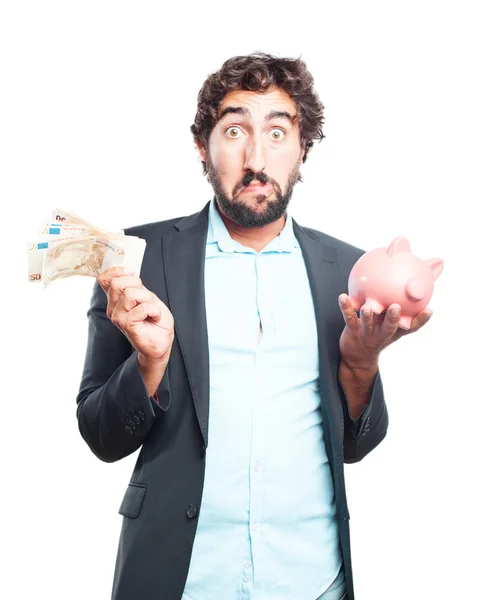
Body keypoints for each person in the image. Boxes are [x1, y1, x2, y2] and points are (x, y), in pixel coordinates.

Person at [76, 52, 433, 600]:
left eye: (277, 131)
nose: (255, 156)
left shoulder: (347, 271)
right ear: (203, 146)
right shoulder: (136, 261)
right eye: (235, 129)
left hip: (313, 581)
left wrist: (362, 363)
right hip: (180, 581)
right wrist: (149, 365)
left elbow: (358, 446)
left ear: (303, 148)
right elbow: (101, 435)